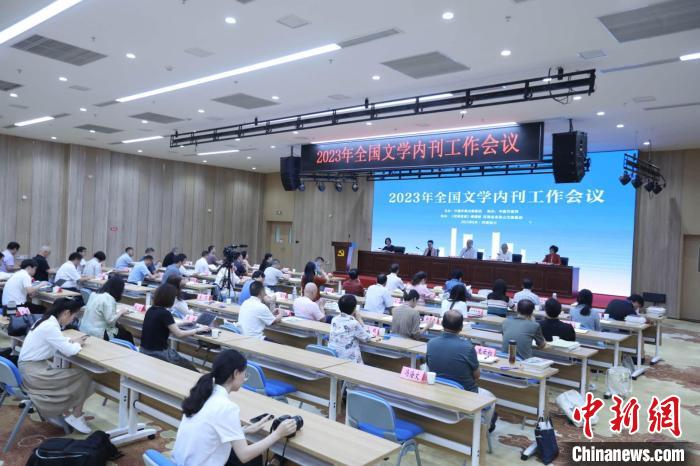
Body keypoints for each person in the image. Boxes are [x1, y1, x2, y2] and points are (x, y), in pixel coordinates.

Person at [173, 350, 298, 466]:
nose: (244, 378)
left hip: (181, 462)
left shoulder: (204, 393)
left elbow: (211, 430)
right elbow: (244, 455)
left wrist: (243, 430)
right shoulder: (227, 407)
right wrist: (278, 433)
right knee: (250, 458)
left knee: (247, 457)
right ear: (236, 373)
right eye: (245, 373)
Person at [18, 298, 94, 433]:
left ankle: (68, 413)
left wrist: (70, 340)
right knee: (84, 376)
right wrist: (78, 344)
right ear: (66, 313)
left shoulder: (45, 321)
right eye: (74, 316)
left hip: (29, 368)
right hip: (34, 374)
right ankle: (76, 415)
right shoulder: (50, 326)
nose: (73, 319)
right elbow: (70, 351)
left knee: (72, 375)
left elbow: (56, 339)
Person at [140, 284, 209, 370]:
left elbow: (164, 325)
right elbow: (179, 334)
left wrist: (183, 323)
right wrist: (198, 329)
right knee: (190, 368)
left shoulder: (151, 310)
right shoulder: (165, 313)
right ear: (169, 299)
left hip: (144, 350)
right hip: (158, 353)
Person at [426, 310, 480, 392]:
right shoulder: (468, 347)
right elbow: (477, 375)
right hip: (465, 393)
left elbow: (429, 365)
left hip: (438, 389)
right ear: (461, 327)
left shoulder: (431, 343)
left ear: (442, 324)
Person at [79, 275, 134, 343]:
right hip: (98, 333)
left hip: (84, 328)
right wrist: (121, 312)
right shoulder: (109, 298)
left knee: (120, 328)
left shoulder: (94, 294)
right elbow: (110, 321)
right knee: (128, 335)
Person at [329, 294, 372, 363]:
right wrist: (360, 320)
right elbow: (367, 338)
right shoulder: (353, 323)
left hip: (334, 357)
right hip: (349, 361)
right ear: (355, 308)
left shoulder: (334, 319)